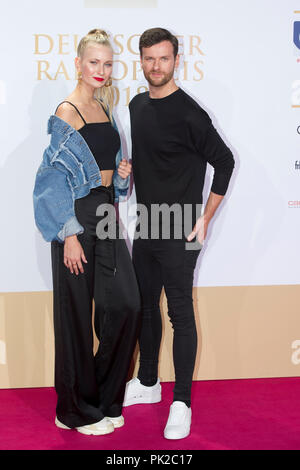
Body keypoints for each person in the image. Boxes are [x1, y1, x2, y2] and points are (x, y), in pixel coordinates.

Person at [123, 28, 235, 440]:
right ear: (142, 60)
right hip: (147, 225)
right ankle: (149, 382)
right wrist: (128, 170)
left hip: (182, 230)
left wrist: (206, 217)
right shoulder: (135, 105)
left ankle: (182, 401)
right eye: (149, 58)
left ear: (176, 60)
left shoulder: (190, 113)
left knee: (180, 313)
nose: (156, 66)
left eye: (164, 58)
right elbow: (153, 159)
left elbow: (224, 162)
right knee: (146, 308)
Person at [33, 29, 141, 436]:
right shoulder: (67, 110)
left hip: (106, 212)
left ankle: (102, 396)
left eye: (108, 63)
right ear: (78, 64)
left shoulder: (104, 108)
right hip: (75, 218)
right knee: (75, 316)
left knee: (127, 303)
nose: (101, 70)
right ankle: (73, 410)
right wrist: (69, 233)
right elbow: (51, 179)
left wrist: (121, 176)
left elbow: (105, 169)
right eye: (94, 62)